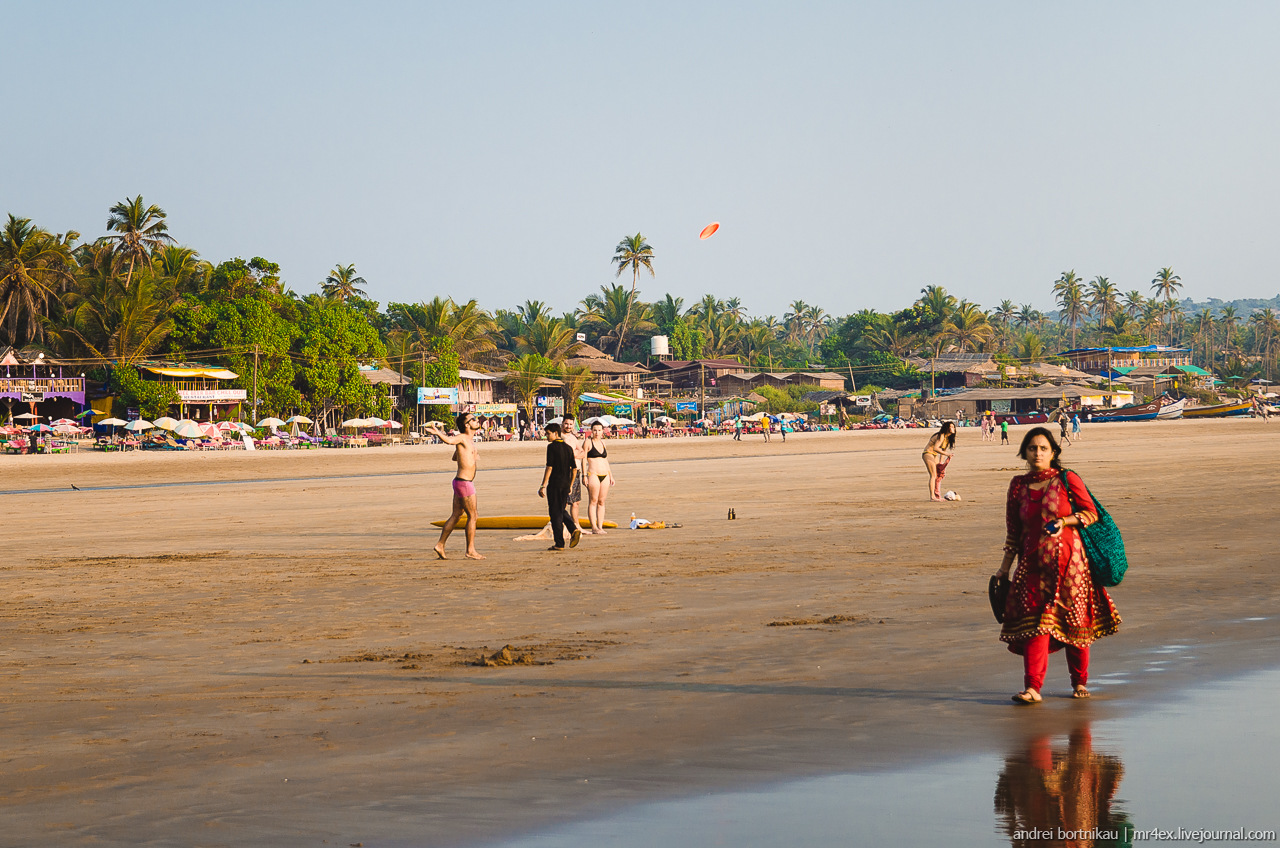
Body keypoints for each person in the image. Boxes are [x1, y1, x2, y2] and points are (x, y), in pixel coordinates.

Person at [993, 427, 1120, 703]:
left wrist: (1064, 521)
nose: (1037, 453)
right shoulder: (1018, 485)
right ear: (1024, 452)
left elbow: (1091, 513)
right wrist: (1004, 568)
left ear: (1053, 453)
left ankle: (1079, 683)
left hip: (1071, 567)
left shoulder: (1067, 479)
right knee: (1036, 626)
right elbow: (1013, 532)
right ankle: (1032, 688)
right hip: (1032, 567)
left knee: (1075, 624)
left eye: (1043, 448)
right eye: (1032, 448)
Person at [424, 413, 486, 560]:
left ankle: (440, 544)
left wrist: (463, 453)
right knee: (473, 515)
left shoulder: (467, 440)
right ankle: (470, 550)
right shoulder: (463, 437)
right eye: (473, 419)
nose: (476, 421)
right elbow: (450, 440)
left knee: (456, 515)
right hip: (465, 483)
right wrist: (438, 432)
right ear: (466, 425)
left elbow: (454, 457)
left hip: (460, 482)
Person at [538, 423, 581, 551]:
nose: (546, 436)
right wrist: (570, 484)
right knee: (561, 510)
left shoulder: (551, 447)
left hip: (555, 484)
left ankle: (559, 543)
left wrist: (543, 485)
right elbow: (574, 469)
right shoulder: (568, 448)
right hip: (565, 484)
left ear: (555, 433)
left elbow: (549, 467)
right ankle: (573, 530)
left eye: (548, 433)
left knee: (555, 513)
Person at [584, 421, 614, 534]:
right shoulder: (588, 442)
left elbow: (605, 460)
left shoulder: (603, 443)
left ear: (602, 431)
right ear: (591, 430)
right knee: (593, 500)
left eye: (599, 430)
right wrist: (584, 475)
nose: (597, 432)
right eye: (595, 430)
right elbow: (583, 459)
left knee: (601, 501)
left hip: (605, 474)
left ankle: (600, 526)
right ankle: (594, 527)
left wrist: (611, 475)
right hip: (593, 474)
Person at [922, 421, 957, 501]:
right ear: (947, 428)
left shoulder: (947, 438)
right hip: (928, 453)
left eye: (953, 427)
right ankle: (932, 497)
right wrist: (948, 454)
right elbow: (936, 448)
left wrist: (941, 463)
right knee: (933, 475)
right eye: (951, 427)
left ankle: (937, 495)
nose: (953, 428)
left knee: (938, 476)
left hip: (934, 455)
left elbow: (942, 451)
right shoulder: (941, 435)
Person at [561, 414, 585, 530]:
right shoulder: (560, 437)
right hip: (566, 472)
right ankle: (564, 526)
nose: (568, 426)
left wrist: (575, 454)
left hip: (577, 471)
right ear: (562, 423)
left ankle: (576, 526)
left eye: (570, 424)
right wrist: (574, 454)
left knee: (576, 501)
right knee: (565, 501)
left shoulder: (573, 437)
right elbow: (566, 455)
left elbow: (583, 452)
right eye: (566, 424)